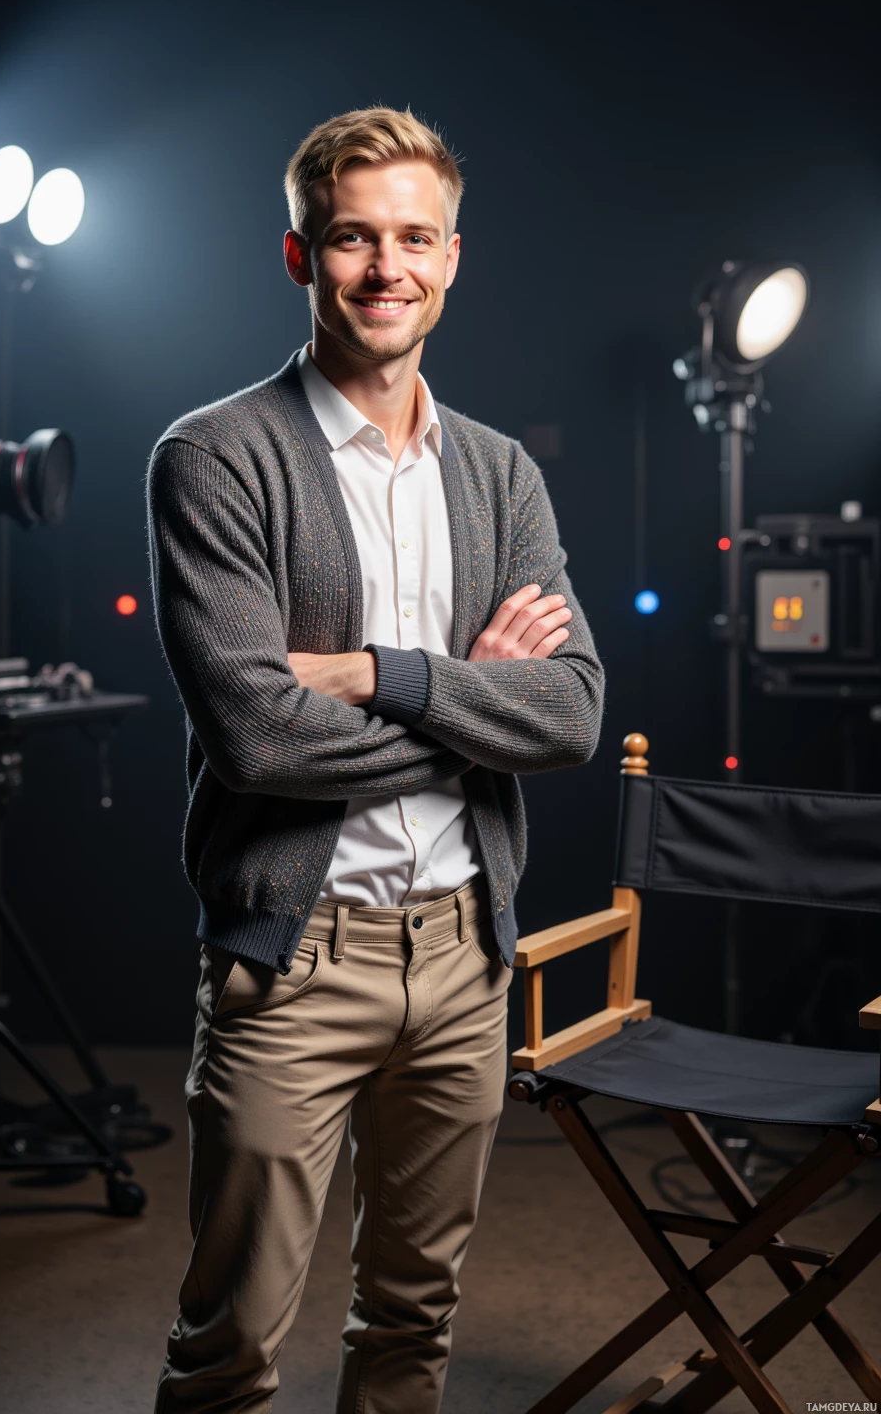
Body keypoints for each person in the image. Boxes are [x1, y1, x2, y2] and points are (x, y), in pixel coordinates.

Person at [147, 106, 604, 1414]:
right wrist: (474, 696)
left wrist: (386, 674)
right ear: (302, 258)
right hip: (295, 962)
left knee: (414, 1324)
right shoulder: (217, 458)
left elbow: (570, 713)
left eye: (414, 238)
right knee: (229, 1349)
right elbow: (257, 734)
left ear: (454, 258)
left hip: (466, 955)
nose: (385, 267)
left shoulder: (504, 475)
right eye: (353, 237)